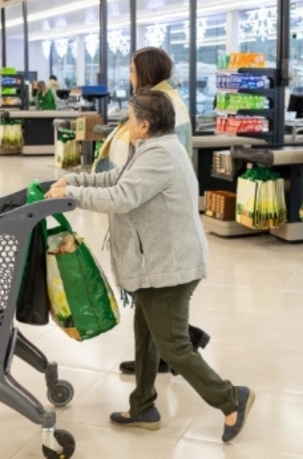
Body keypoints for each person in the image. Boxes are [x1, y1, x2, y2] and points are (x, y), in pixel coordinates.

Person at [46, 91, 254, 443]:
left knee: (173, 347)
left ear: (145, 124)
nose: (126, 124)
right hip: (157, 264)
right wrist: (74, 180)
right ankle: (142, 405)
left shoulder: (159, 154)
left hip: (170, 267)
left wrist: (73, 197)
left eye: (130, 118)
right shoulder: (152, 148)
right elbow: (116, 180)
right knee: (146, 334)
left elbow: (121, 198)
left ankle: (231, 398)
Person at [92, 47, 207, 377]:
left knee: (156, 295)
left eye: (132, 71)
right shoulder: (154, 101)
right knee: (148, 295)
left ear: (145, 72)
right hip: (140, 202)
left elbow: (163, 160)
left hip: (152, 211)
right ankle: (156, 357)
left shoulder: (164, 105)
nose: (128, 77)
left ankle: (178, 348)